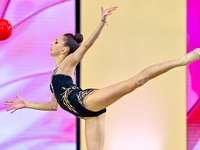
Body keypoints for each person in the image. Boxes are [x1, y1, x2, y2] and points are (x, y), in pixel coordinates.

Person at [4, 6, 200, 150]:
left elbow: (86, 46)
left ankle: (182, 60)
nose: (52, 44)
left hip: (86, 100)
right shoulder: (54, 76)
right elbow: (53, 106)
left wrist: (102, 22)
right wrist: (26, 104)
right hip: (86, 115)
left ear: (64, 50)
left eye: (56, 42)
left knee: (137, 81)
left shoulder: (67, 64)